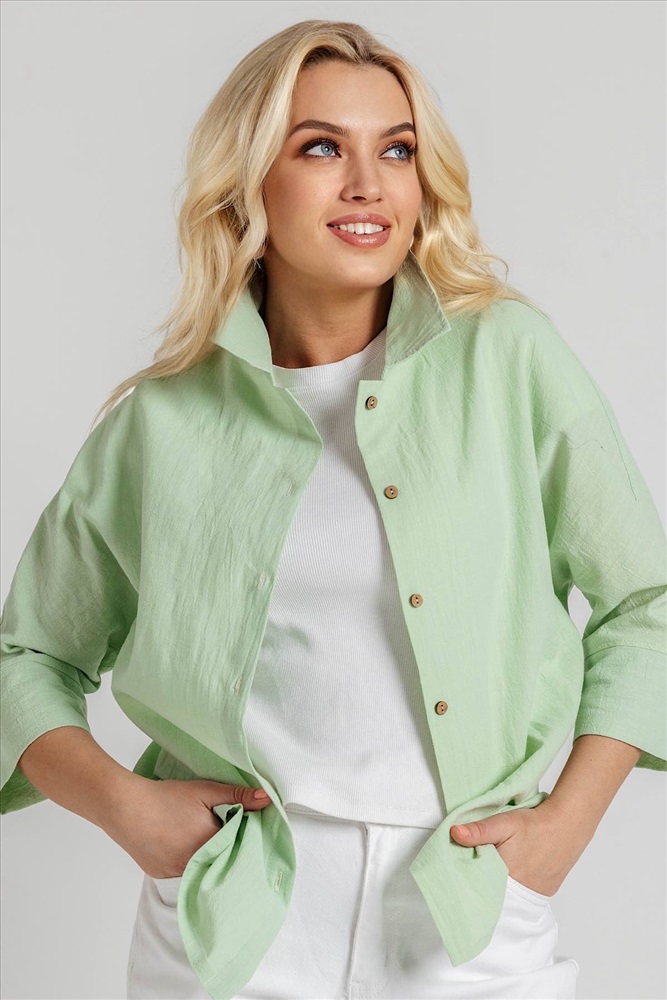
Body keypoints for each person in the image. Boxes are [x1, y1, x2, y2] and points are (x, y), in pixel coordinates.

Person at [1, 17, 665, 1000]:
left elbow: (646, 604)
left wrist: (566, 823)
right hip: (230, 918)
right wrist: (126, 808)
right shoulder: (163, 421)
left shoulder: (508, 360)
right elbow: (25, 657)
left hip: (466, 913)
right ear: (247, 183)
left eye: (395, 150)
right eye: (320, 148)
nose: (368, 184)